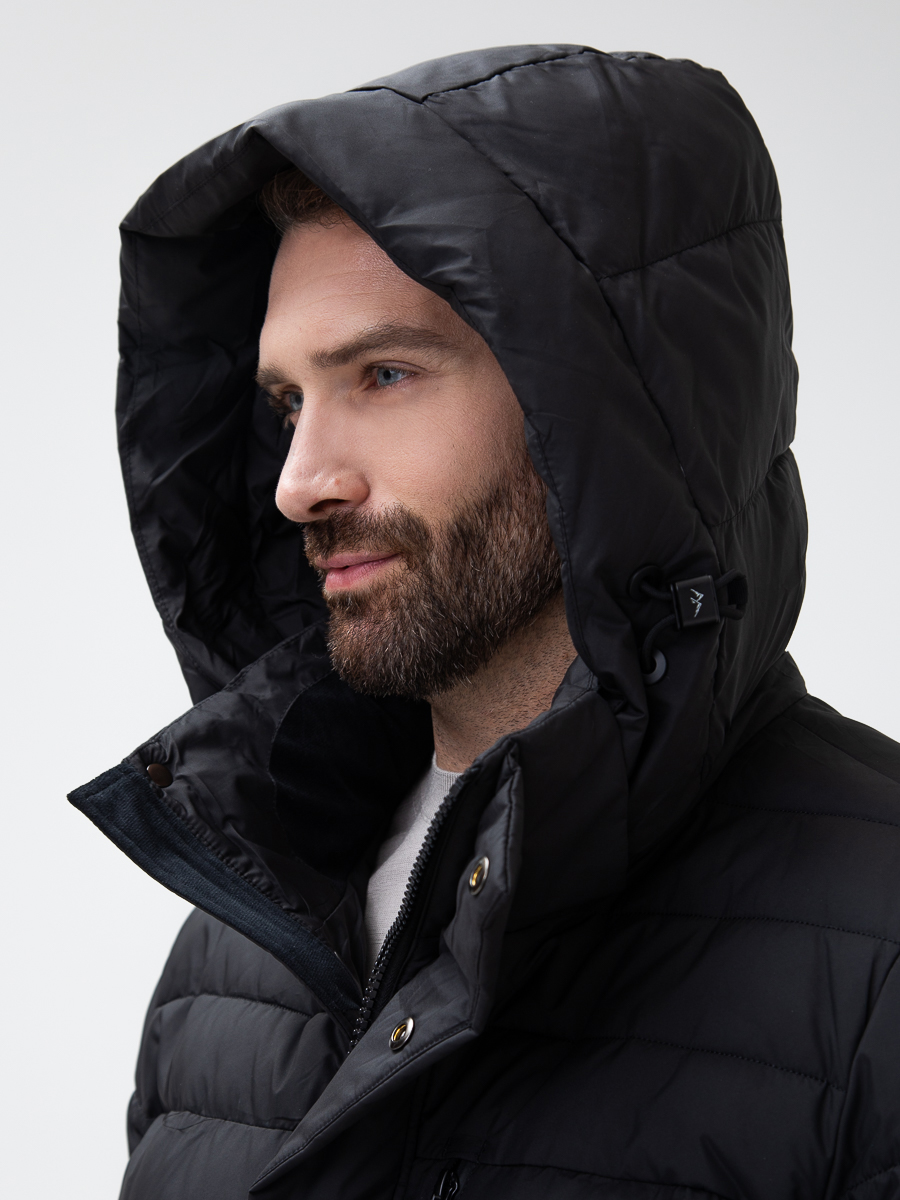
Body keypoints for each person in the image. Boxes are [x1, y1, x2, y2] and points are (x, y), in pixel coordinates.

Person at [70, 43, 900, 1200]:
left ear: (608, 409)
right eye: (288, 402)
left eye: (385, 375)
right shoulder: (240, 942)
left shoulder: (877, 935)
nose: (299, 482)